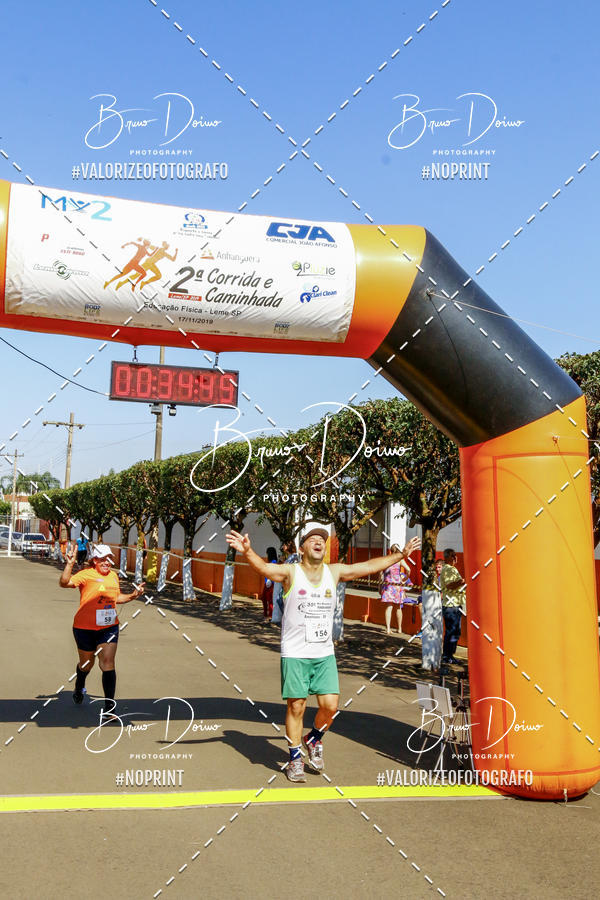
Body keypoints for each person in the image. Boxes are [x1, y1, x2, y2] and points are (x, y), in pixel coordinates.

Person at [226, 526, 421, 782]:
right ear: (301, 548)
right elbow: (264, 569)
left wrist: (400, 555)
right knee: (297, 706)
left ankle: (313, 738)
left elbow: (366, 567)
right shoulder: (290, 572)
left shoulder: (334, 571)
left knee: (330, 707)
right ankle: (295, 758)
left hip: (323, 653)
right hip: (295, 653)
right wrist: (248, 551)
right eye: (313, 539)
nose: (319, 542)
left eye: (322, 540)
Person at [59, 543, 145, 717]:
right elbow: (64, 583)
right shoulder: (86, 574)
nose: (106, 562)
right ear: (94, 560)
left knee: (107, 663)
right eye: (102, 559)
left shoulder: (113, 576)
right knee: (86, 664)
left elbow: (116, 597)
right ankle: (79, 684)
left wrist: (132, 596)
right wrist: (69, 564)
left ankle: (109, 708)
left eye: (109, 559)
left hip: (108, 627)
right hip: (84, 627)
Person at [440, 548, 467, 671]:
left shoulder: (452, 569)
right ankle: (447, 656)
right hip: (451, 605)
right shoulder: (448, 569)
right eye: (452, 555)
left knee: (455, 632)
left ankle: (449, 655)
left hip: (455, 604)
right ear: (446, 557)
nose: (455, 557)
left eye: (455, 555)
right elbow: (450, 585)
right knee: (452, 631)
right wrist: (461, 582)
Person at [380, 543, 413, 634]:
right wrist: (404, 579)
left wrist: (380, 584)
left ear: (391, 551)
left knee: (389, 607)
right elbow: (409, 570)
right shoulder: (400, 560)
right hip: (397, 586)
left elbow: (381, 572)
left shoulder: (387, 559)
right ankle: (399, 628)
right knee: (398, 607)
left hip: (388, 585)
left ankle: (388, 628)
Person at [420, 559, 443, 672]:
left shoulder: (439, 580)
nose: (437, 570)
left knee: (434, 634)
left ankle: (432, 663)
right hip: (434, 609)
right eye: (436, 568)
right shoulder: (434, 583)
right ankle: (433, 664)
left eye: (439, 567)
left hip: (435, 608)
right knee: (434, 634)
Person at [272, 540, 300, 624]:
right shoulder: (289, 557)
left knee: (284, 602)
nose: (283, 547)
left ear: (289, 546)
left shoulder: (294, 558)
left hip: (289, 585)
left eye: (284, 545)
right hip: (285, 584)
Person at [260, 546, 278, 625]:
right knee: (264, 598)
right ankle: (266, 614)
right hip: (267, 583)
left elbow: (273, 573)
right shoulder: (269, 562)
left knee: (269, 600)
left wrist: (270, 580)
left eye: (267, 553)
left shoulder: (274, 562)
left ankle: (270, 616)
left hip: (271, 584)